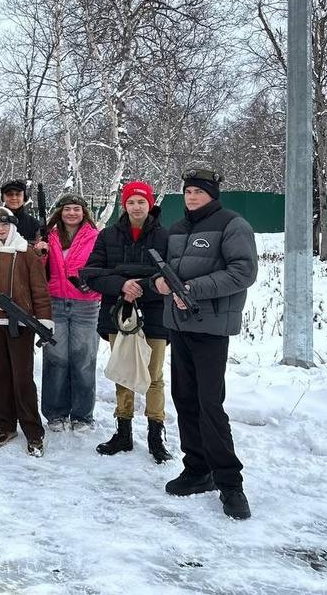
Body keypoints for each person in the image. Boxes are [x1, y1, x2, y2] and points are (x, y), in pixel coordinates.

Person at [156, 166, 257, 520]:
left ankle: (230, 484)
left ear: (212, 194)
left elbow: (244, 272)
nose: (192, 197)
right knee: (184, 398)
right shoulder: (179, 228)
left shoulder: (232, 224)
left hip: (211, 327)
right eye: (187, 191)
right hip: (179, 326)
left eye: (199, 191)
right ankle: (197, 469)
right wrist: (160, 283)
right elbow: (168, 267)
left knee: (210, 403)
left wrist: (193, 290)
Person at [79, 181, 171, 462]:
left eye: (141, 202)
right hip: (119, 314)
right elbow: (91, 273)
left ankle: (156, 435)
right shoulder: (108, 236)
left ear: (150, 204)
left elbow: (171, 276)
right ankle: (123, 433)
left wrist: (142, 284)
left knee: (154, 377)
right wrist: (122, 283)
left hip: (154, 315)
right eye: (131, 202)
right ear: (124, 204)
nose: (136, 207)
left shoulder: (165, 237)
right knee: (123, 373)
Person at [0, 207, 53, 456]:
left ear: (13, 227)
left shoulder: (27, 254)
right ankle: (5, 425)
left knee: (22, 378)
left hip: (22, 323)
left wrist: (44, 322)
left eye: (5, 225)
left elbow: (40, 290)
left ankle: (33, 431)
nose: (1, 230)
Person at [35, 194, 101, 432]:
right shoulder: (49, 236)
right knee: (56, 359)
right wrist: (39, 253)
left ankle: (82, 415)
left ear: (84, 212)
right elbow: (39, 271)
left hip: (86, 304)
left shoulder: (95, 236)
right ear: (60, 212)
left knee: (84, 359)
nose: (72, 213)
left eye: (77, 209)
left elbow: (102, 267)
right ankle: (55, 413)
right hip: (55, 303)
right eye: (67, 209)